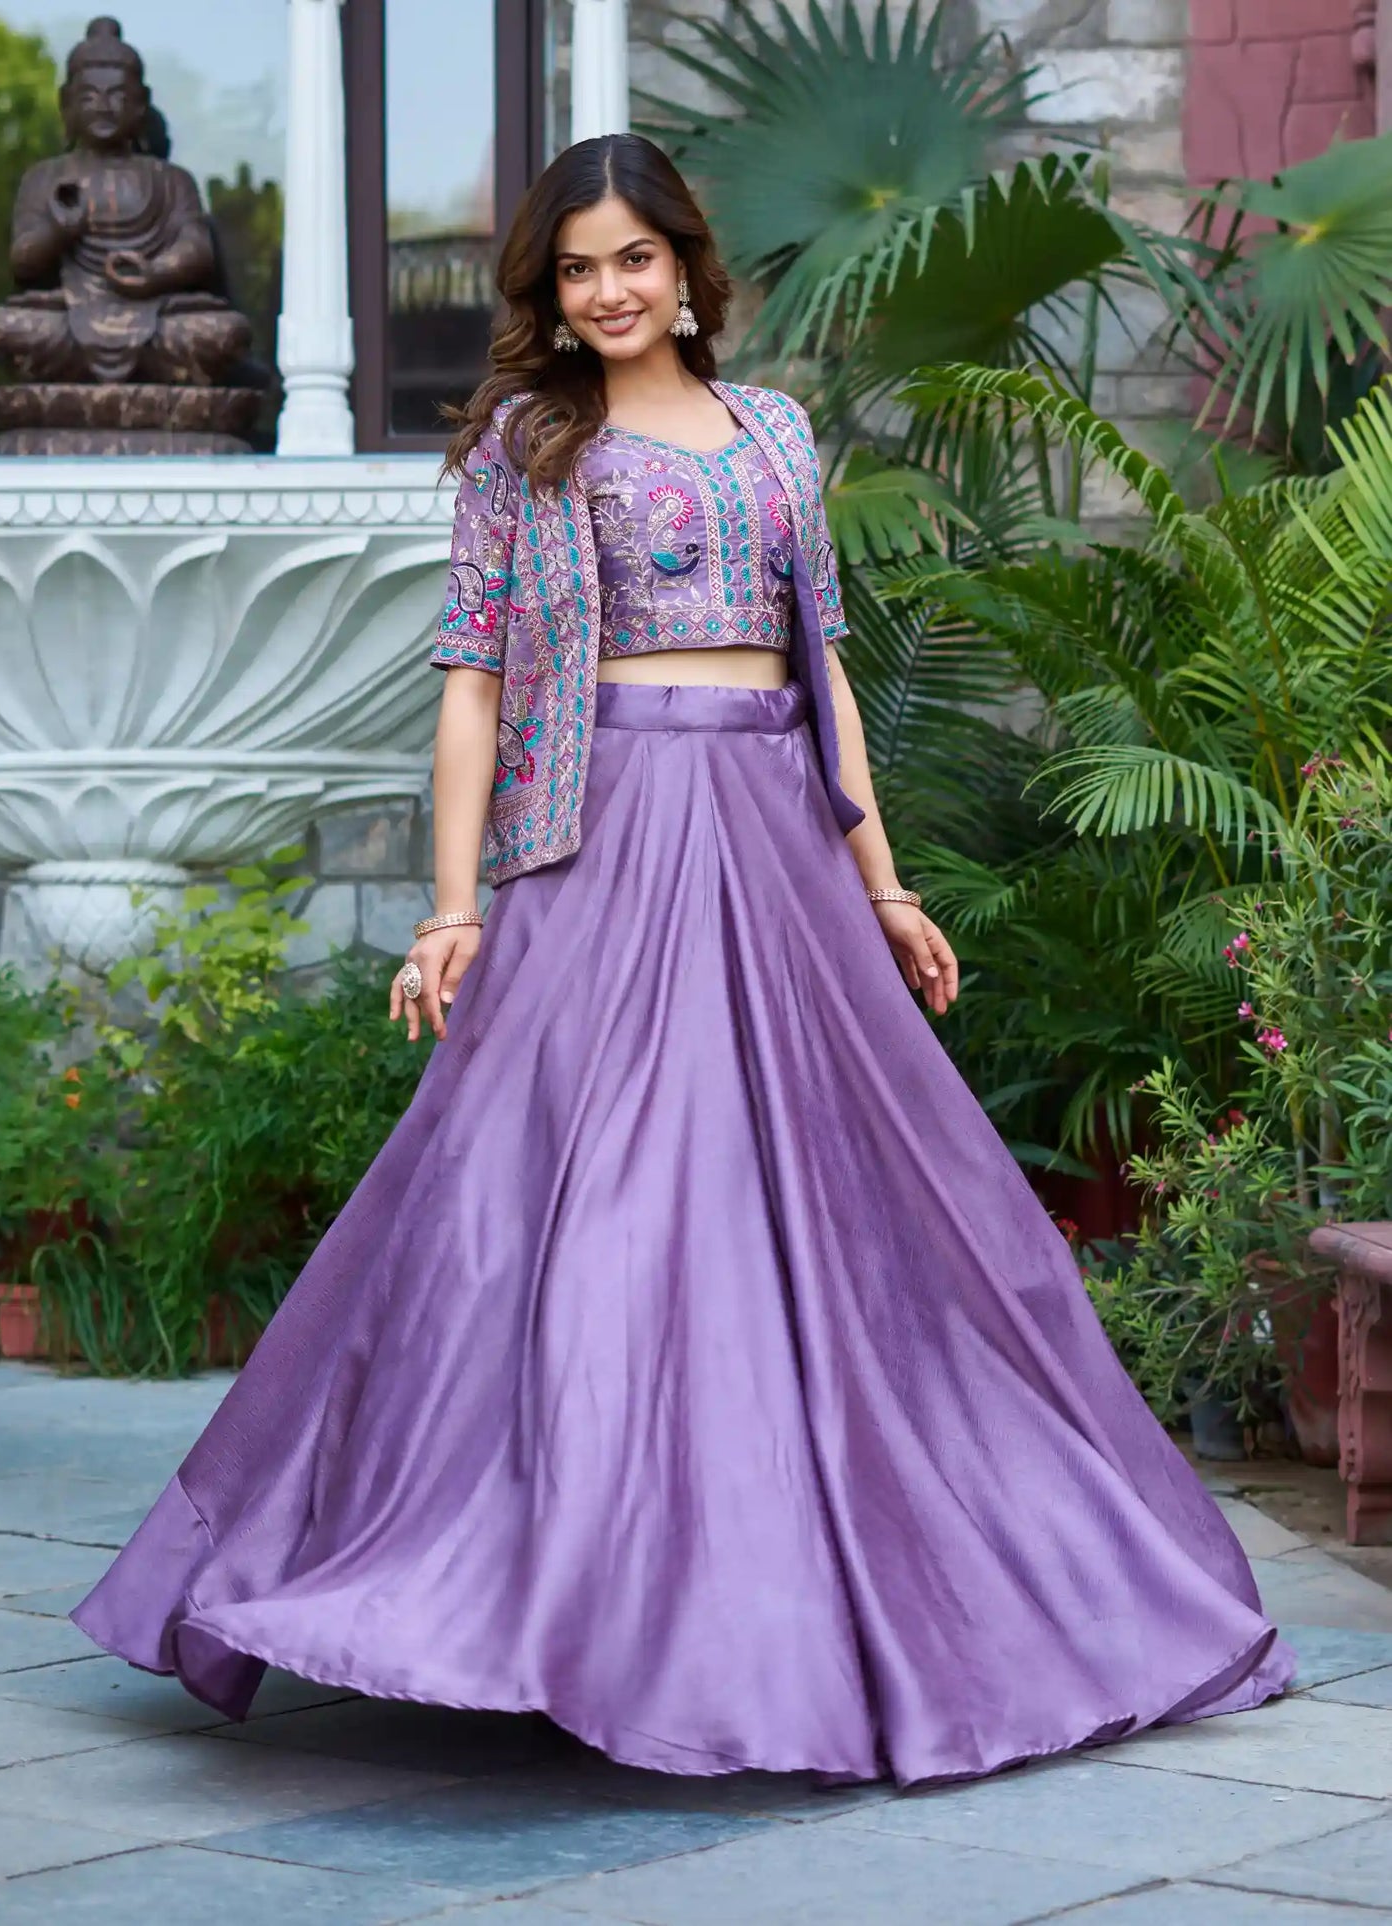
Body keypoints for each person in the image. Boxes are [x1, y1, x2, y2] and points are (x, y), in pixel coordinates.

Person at [73, 134, 1295, 1789]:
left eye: (629, 260)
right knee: (583, 1211)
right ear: (549, 292)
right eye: (574, 270)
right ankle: (567, 1595)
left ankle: (819, 1592)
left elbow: (827, 669)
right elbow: (470, 686)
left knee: (868, 1208)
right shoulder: (528, 443)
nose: (605, 292)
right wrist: (454, 908)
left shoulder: (775, 432)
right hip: (604, 838)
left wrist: (880, 880)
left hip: (773, 839)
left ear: (683, 266)